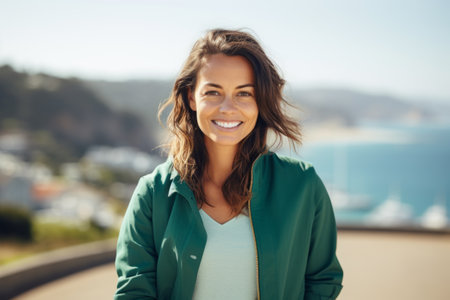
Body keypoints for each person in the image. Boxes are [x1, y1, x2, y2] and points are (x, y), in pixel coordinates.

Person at [115, 29, 343, 300]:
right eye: (213, 92)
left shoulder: (303, 186)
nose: (228, 108)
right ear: (191, 96)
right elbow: (134, 291)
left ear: (261, 100)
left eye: (244, 94)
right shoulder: (153, 193)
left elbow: (323, 280)